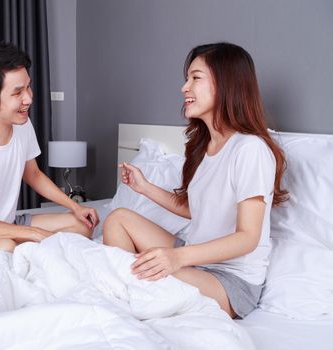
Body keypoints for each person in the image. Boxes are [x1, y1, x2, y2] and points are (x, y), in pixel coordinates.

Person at [102, 42, 287, 319]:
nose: (184, 87)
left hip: (229, 279)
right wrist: (144, 187)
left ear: (226, 84)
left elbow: (248, 238)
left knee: (134, 284)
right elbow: (195, 210)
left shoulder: (250, 149)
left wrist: (177, 259)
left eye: (195, 78)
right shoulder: (204, 147)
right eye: (187, 78)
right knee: (118, 218)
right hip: (194, 257)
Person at [0, 39, 99, 255]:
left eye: (28, 87)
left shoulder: (21, 123)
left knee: (83, 227)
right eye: (17, 93)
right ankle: (31, 245)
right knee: (6, 247)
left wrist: (76, 207)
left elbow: (33, 174)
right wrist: (33, 233)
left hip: (11, 223)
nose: (29, 98)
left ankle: (30, 245)